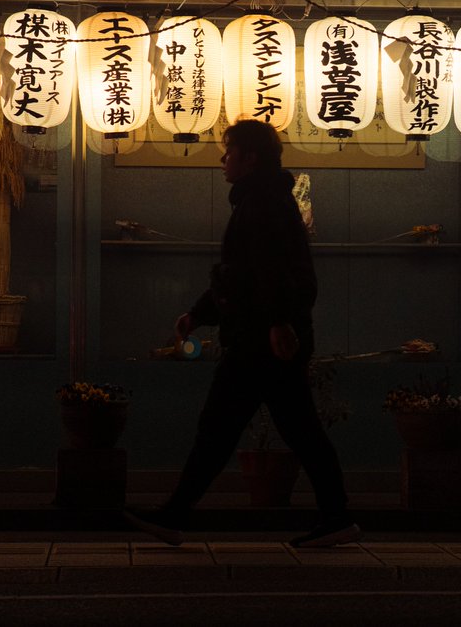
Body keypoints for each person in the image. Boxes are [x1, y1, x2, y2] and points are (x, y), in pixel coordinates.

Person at [124, 119, 360, 549]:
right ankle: (337, 515)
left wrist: (276, 323)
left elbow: (268, 276)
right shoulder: (263, 200)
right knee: (294, 430)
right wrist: (199, 314)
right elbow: (245, 276)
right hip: (263, 337)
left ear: (250, 158)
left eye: (228, 151)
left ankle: (176, 514)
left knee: (221, 428)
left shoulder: (263, 204)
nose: (222, 160)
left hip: (259, 342)